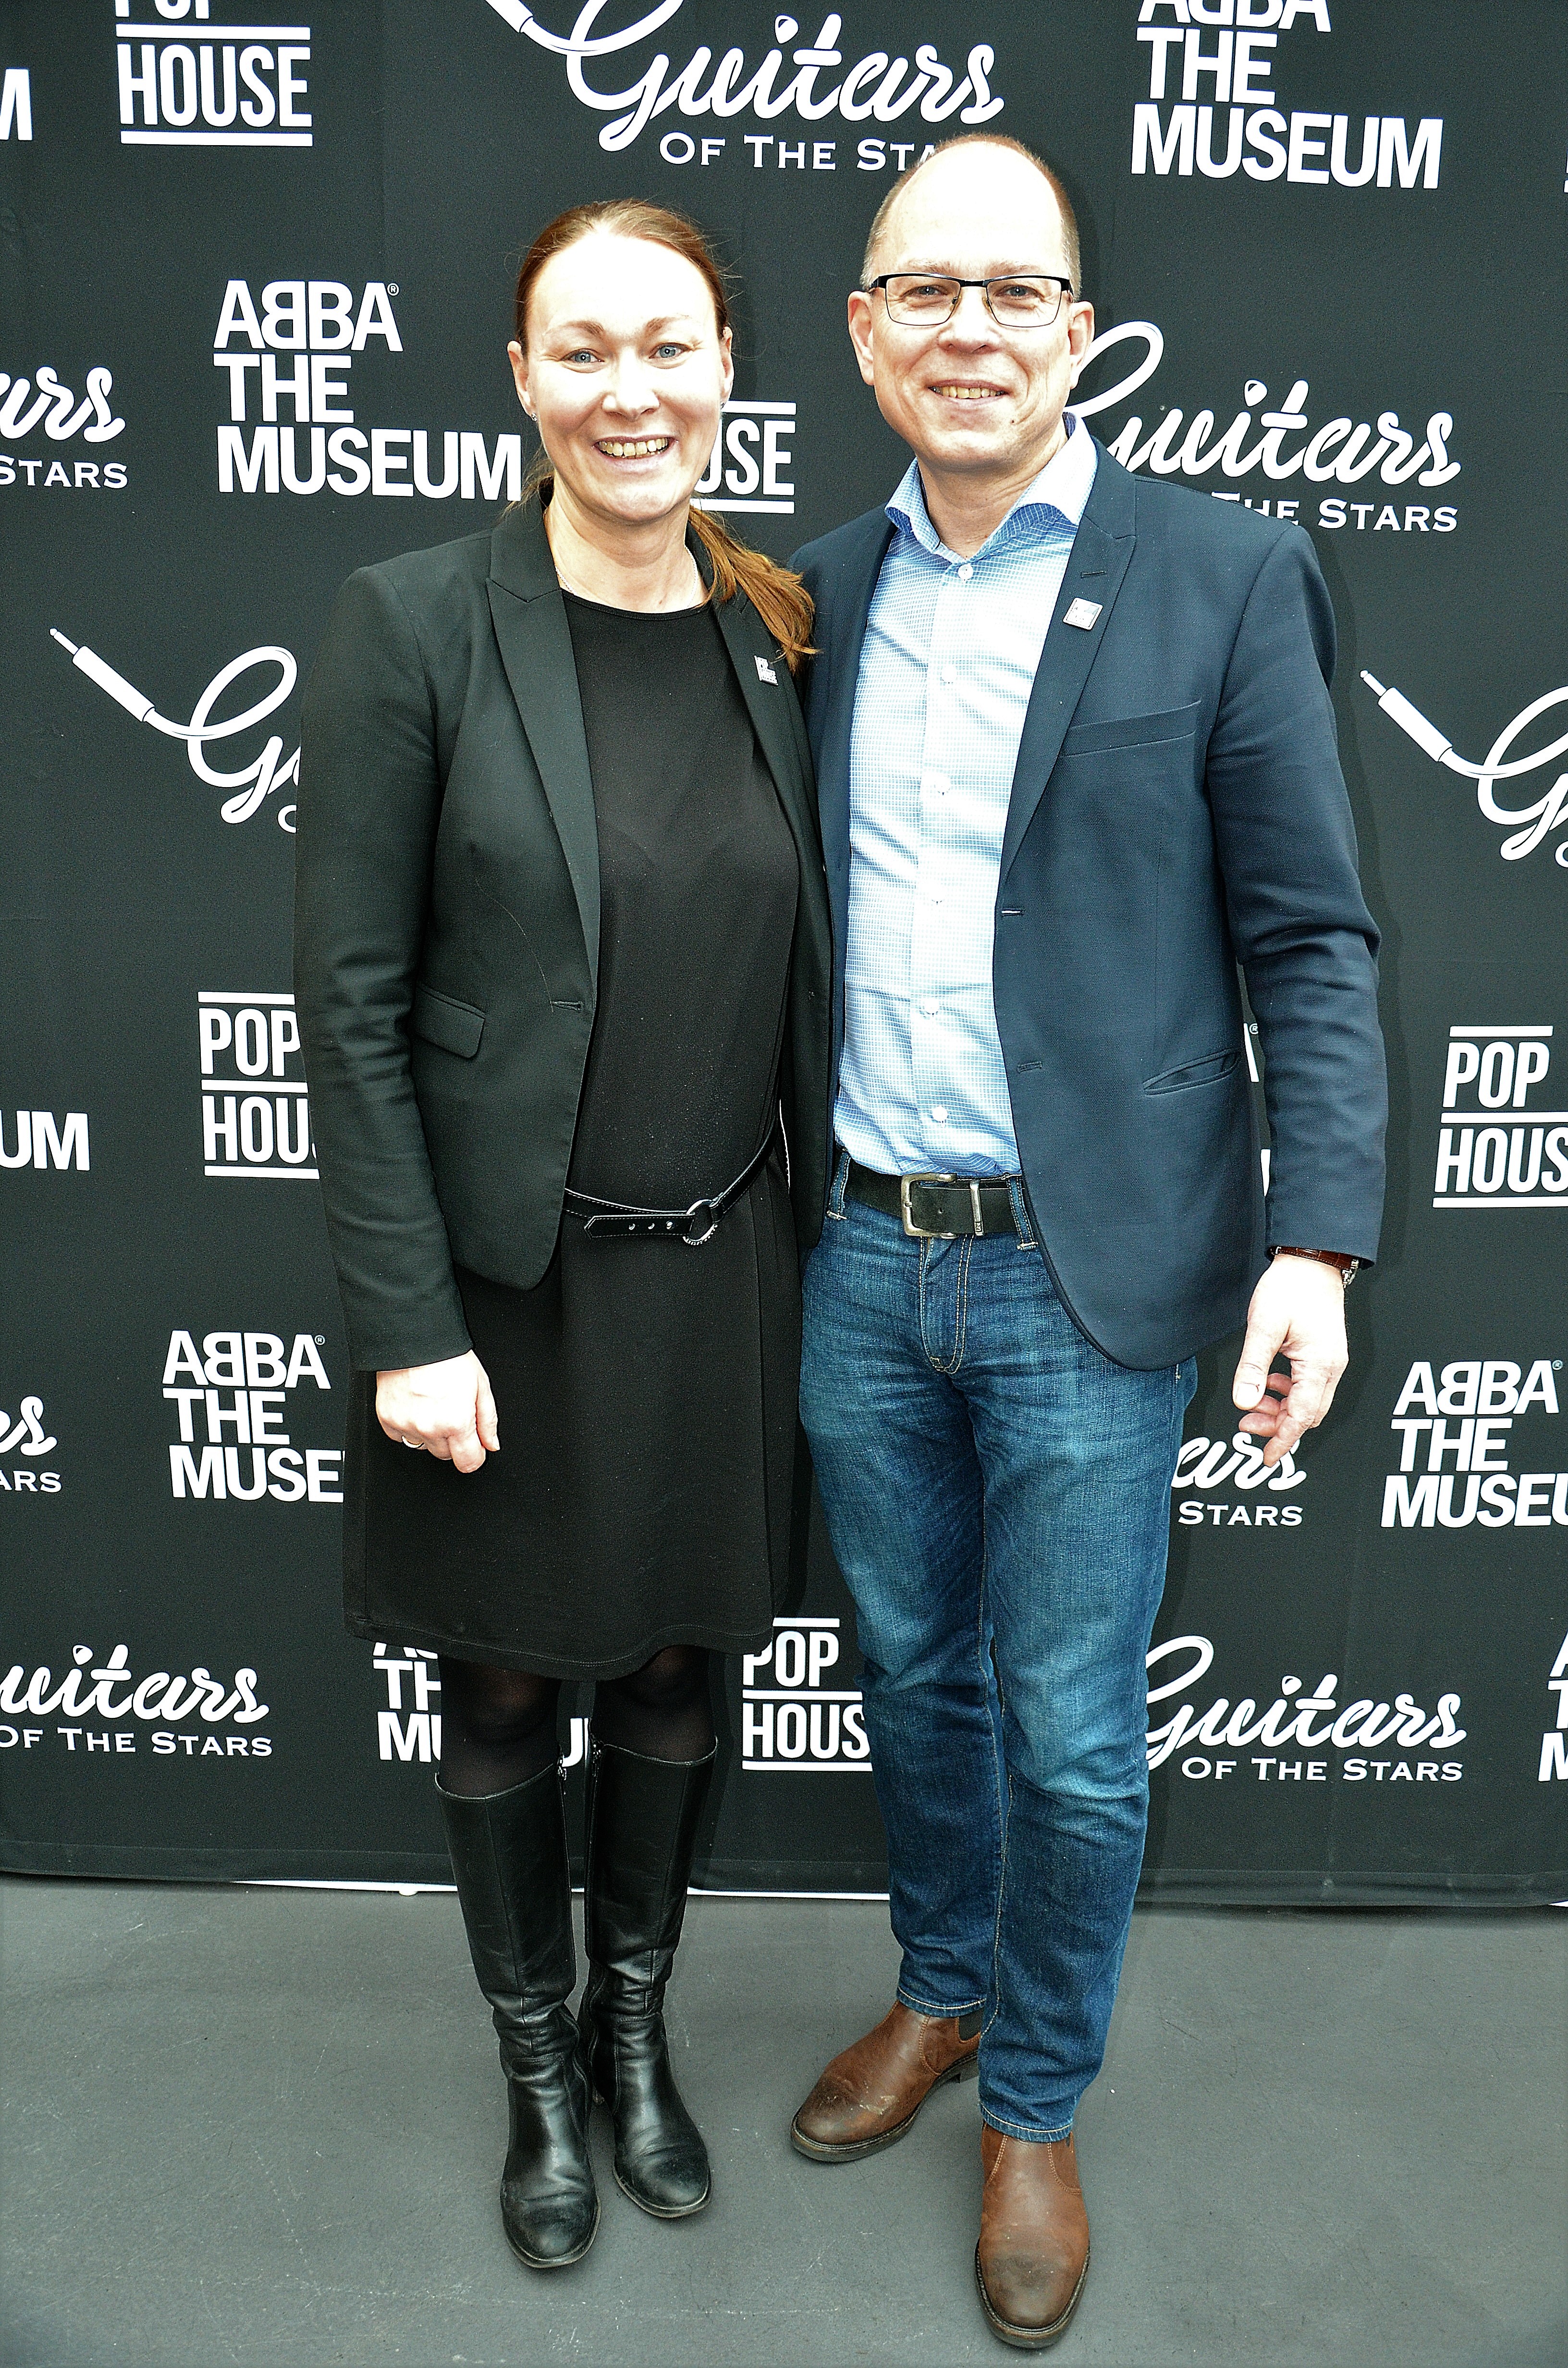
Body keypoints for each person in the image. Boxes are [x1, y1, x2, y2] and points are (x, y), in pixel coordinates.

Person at [787, 136, 1386, 2349]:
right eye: (924, 291)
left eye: (1015, 291)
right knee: (912, 1677)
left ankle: (1033, 2098)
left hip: (1092, 1275)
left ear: (1080, 330)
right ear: (865, 335)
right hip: (862, 1254)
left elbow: (1311, 936)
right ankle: (943, 1986)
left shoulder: (1223, 569)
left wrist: (1316, 1244)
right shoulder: (813, 592)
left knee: (1069, 1731)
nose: (971, 328)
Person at [293, 199, 829, 2273]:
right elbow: (352, 1006)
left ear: (727, 368)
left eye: (670, 344)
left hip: (722, 1271)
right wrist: (407, 1322)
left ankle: (632, 2035)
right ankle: (536, 2073)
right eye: (584, 348)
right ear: (523, 378)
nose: (632, 389)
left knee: (685, 1662)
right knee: (511, 1682)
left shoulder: (778, 629)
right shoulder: (416, 621)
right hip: (502, 1297)